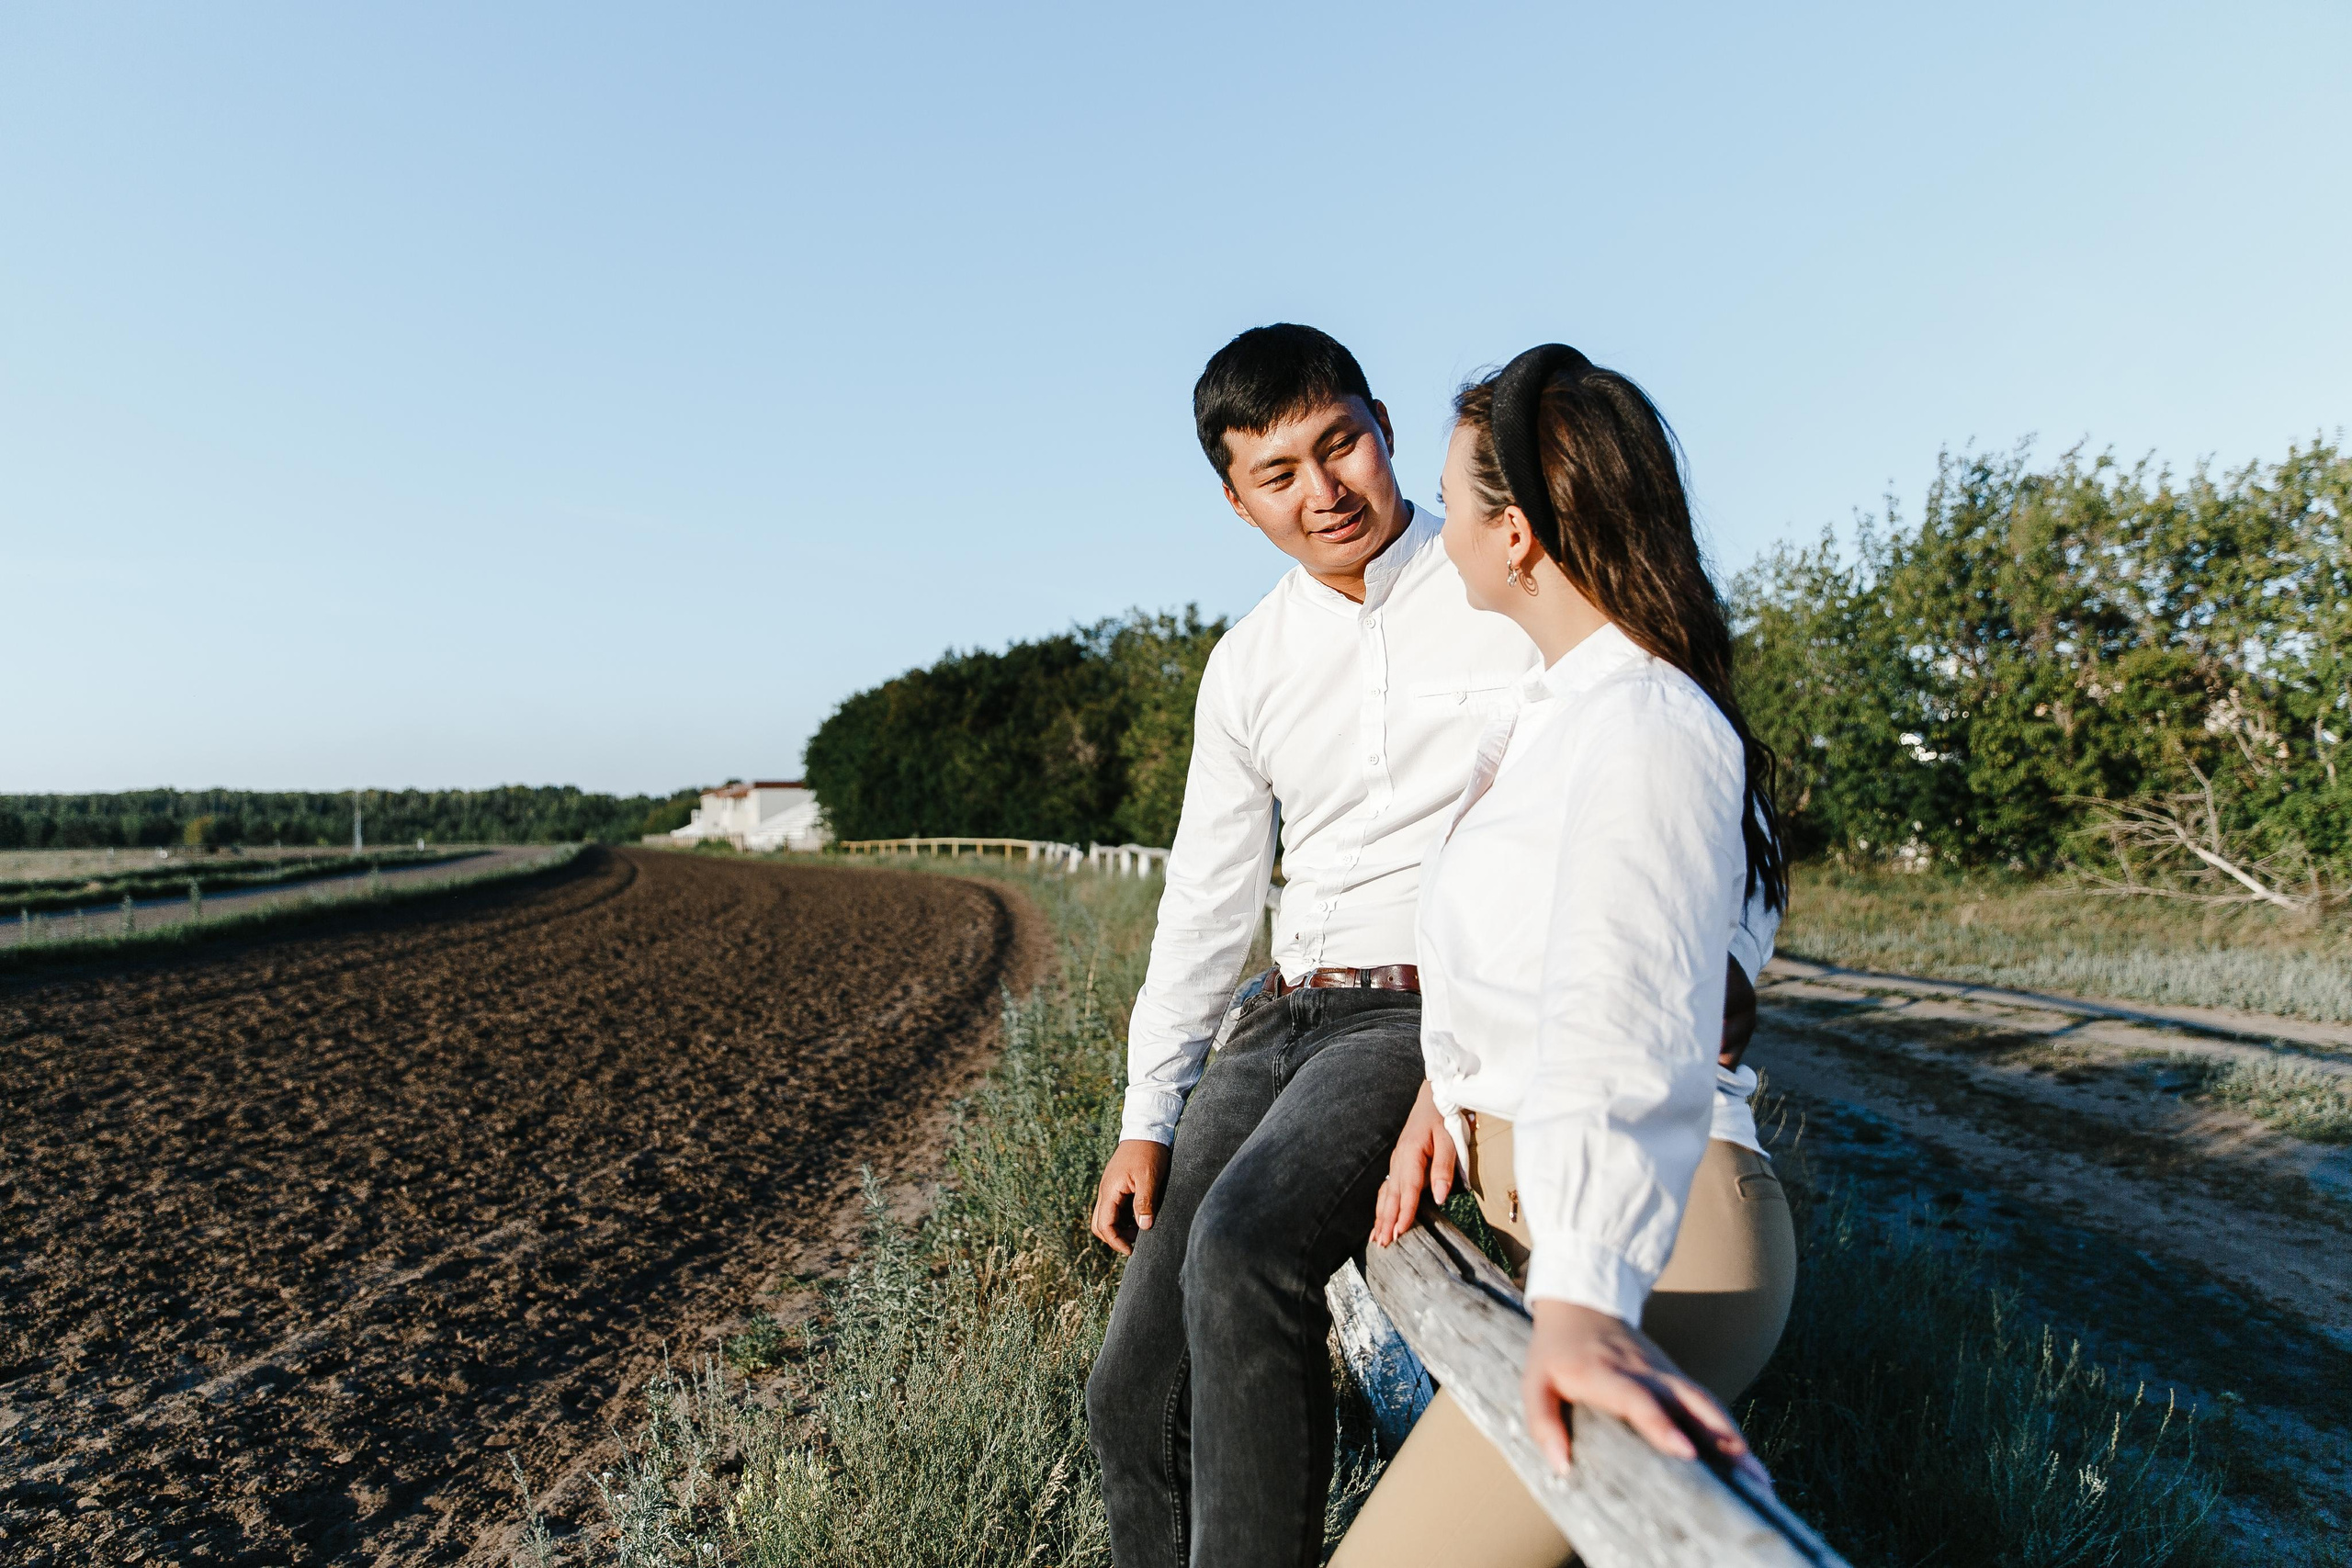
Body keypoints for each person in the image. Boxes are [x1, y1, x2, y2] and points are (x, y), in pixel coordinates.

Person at [1084, 325, 1779, 1568]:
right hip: (1288, 1006)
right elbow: (1205, 895)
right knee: (1132, 1392)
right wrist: (1150, 1110)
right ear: (1236, 503)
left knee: (1246, 1252)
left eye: (1338, 443)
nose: (1325, 490)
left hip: (1414, 1014)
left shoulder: (1514, 591)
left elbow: (1670, 819)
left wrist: (1705, 970)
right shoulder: (1245, 666)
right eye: (1279, 473)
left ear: (1384, 425)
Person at [1333, 346, 1797, 1568]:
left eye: (1453, 502)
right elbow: (1532, 959)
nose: (1434, 533)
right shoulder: (1565, 712)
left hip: (1660, 1256)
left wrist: (1585, 1301)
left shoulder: (1644, 721)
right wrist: (1454, 1090)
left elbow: (1623, 1008)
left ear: (1520, 535)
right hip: (1600, 1244)